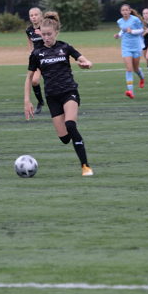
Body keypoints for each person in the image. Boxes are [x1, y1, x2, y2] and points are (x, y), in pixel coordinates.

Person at [24, 13, 94, 176]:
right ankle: (75, 139)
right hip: (52, 97)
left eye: (49, 34)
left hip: (69, 92)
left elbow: (86, 60)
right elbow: (29, 78)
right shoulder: (37, 53)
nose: (46, 37)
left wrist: (86, 64)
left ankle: (85, 166)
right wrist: (27, 100)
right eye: (43, 34)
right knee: (64, 138)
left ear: (56, 32)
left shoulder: (65, 47)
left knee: (70, 125)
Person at [114, 4, 145, 99]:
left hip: (136, 46)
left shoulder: (135, 19)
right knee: (129, 69)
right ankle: (130, 91)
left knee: (136, 69)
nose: (125, 12)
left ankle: (142, 78)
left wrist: (132, 31)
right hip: (126, 47)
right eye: (123, 10)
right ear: (121, 12)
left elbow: (141, 30)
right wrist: (118, 35)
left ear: (130, 11)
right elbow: (122, 31)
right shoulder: (119, 21)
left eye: (126, 10)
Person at [25, 7, 45, 114]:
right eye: (31, 15)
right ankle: (40, 102)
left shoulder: (46, 28)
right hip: (37, 59)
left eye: (36, 15)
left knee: (52, 82)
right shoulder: (29, 30)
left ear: (41, 16)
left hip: (49, 58)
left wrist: (42, 34)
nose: (34, 17)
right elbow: (30, 42)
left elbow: (52, 40)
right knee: (34, 81)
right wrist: (30, 51)